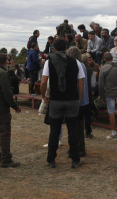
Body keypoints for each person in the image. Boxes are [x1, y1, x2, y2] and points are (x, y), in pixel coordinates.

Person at [41, 39, 85, 169]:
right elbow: (81, 82)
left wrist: (44, 96)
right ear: (66, 47)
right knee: (73, 131)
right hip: (71, 99)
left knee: (54, 130)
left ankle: (51, 160)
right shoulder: (75, 62)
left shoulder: (49, 62)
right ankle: (75, 159)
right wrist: (79, 98)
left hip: (55, 100)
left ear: (53, 48)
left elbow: (43, 82)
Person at [0, 53, 21, 168]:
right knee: (4, 134)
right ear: (5, 61)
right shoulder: (2, 73)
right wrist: (15, 106)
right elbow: (7, 93)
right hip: (1, 108)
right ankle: (6, 159)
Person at [67, 47, 89, 157]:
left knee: (75, 127)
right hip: (84, 99)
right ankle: (80, 147)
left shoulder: (73, 65)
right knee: (80, 125)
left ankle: (77, 148)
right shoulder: (83, 65)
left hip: (77, 99)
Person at [100, 52, 117, 140]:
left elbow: (101, 84)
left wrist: (101, 97)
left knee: (111, 112)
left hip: (109, 92)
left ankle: (114, 133)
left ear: (104, 59)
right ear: (112, 57)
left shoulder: (103, 68)